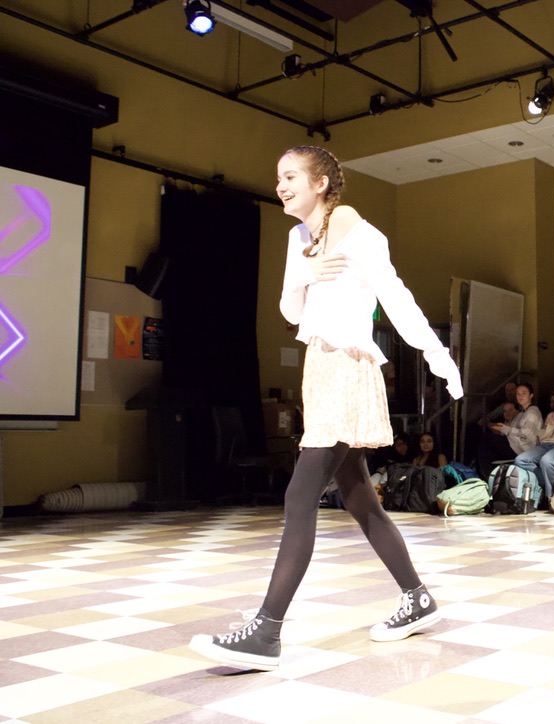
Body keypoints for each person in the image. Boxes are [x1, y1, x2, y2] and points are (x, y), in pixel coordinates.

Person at [189, 146, 463, 671]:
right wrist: (304, 277)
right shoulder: (299, 239)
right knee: (361, 498)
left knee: (299, 496)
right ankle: (418, 597)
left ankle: (266, 632)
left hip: (346, 368)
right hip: (319, 370)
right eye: (277, 177)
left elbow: (397, 297)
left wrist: (439, 358)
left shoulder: (358, 232)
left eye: (290, 175)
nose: (280, 185)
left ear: (320, 182)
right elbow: (292, 310)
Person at [474, 383, 542, 476]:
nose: (520, 396)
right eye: (518, 394)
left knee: (486, 439)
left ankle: (485, 476)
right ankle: (488, 477)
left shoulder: (532, 413)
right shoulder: (524, 412)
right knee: (485, 452)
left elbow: (526, 433)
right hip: (515, 444)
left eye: (524, 393)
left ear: (531, 395)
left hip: (520, 448)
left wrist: (505, 429)